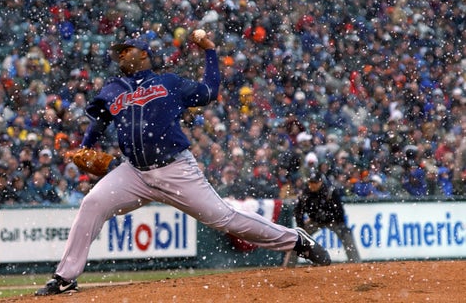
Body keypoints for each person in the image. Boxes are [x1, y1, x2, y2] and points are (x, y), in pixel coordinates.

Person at [35, 31, 331, 296]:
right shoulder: (113, 88)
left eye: (127, 49)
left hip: (175, 169)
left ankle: (295, 240)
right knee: (92, 204)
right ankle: (65, 277)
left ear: (144, 54)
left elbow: (209, 91)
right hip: (134, 172)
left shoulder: (169, 82)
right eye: (118, 51)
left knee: (224, 219)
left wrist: (211, 52)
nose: (121, 54)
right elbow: (99, 119)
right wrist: (86, 146)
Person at [287, 171, 360, 266]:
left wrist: (339, 223)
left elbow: (339, 211)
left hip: (332, 220)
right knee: (298, 238)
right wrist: (301, 227)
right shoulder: (305, 193)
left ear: (321, 182)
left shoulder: (330, 191)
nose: (312, 185)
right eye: (310, 183)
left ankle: (356, 264)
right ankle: (289, 266)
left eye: (315, 183)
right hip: (314, 220)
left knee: (346, 233)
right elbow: (298, 212)